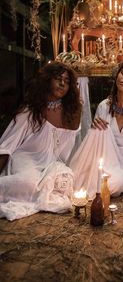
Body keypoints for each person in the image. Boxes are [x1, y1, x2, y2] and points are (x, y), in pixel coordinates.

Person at [0, 61, 82, 221]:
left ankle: (31, 194)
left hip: (51, 164)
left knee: (66, 182)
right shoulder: (30, 110)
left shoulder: (72, 111)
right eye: (58, 78)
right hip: (26, 159)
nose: (62, 83)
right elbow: (7, 146)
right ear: (47, 80)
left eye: (67, 81)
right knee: (30, 182)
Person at [70, 59, 123, 198]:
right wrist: (94, 130)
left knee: (113, 184)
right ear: (117, 75)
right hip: (109, 163)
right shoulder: (103, 106)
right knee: (84, 182)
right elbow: (98, 145)